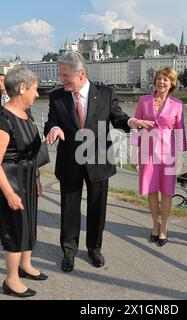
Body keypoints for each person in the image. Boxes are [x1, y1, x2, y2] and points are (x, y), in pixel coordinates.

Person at [44, 51, 153, 272]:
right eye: (60, 74)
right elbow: (51, 123)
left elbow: (118, 117)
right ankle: (69, 250)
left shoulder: (105, 93)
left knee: (97, 208)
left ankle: (94, 248)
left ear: (81, 73)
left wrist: (132, 122)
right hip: (70, 161)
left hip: (99, 160)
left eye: (65, 75)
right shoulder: (57, 97)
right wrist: (54, 128)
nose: (61, 79)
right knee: (69, 208)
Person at [0, 67, 47, 298]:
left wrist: (37, 178)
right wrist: (10, 194)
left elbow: (31, 153)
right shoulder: (1, 120)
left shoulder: (26, 114)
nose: (37, 94)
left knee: (28, 223)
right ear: (22, 88)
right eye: (35, 89)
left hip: (28, 179)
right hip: (9, 182)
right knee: (14, 228)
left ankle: (26, 265)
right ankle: (11, 280)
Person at [131, 67, 187, 247]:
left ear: (172, 84)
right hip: (147, 151)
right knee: (151, 189)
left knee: (167, 190)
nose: (162, 82)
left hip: (168, 154)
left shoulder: (177, 104)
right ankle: (154, 224)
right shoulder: (143, 100)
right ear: (154, 81)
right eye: (159, 78)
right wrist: (133, 152)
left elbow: (180, 131)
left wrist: (180, 155)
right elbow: (134, 126)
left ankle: (164, 226)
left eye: (166, 79)